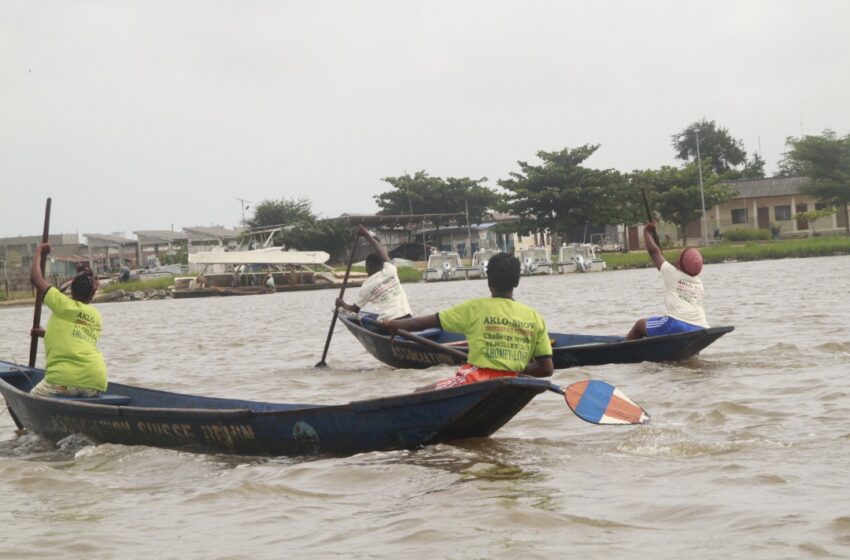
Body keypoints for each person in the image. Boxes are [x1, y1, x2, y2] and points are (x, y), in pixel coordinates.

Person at [384, 252, 553, 390]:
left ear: (489, 281)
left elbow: (423, 323)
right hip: (513, 383)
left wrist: (394, 324)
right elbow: (546, 369)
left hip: (476, 379)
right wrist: (512, 370)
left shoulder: (474, 308)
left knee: (420, 392)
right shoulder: (535, 317)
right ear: (517, 282)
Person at [28, 243, 108, 397]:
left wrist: (39, 250)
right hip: (94, 382)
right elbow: (78, 337)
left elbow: (35, 278)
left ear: (72, 290)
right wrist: (45, 334)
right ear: (92, 295)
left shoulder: (62, 304)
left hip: (62, 381)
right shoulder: (96, 316)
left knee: (29, 399)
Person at [625, 222, 709, 340]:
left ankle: (625, 353)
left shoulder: (672, 273)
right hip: (701, 326)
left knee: (639, 325)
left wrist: (646, 232)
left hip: (676, 324)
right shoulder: (699, 283)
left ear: (678, 264)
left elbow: (654, 252)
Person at [336, 224, 412, 321]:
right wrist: (366, 234)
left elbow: (354, 310)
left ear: (368, 267)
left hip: (389, 324)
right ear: (381, 265)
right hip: (408, 318)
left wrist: (342, 304)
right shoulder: (390, 271)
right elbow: (381, 251)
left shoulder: (366, 286)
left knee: (369, 321)